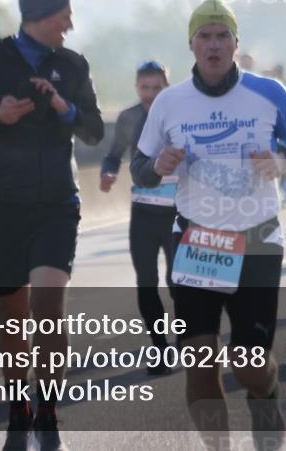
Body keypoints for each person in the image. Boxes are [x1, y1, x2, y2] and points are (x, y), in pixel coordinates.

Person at [131, 0, 286, 451]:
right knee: (199, 360)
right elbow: (139, 168)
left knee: (248, 365)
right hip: (197, 239)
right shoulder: (169, 102)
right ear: (191, 45)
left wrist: (280, 161)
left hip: (256, 238)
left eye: (222, 36)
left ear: (236, 43)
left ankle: (266, 394)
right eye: (204, 36)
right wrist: (158, 163)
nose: (213, 45)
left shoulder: (269, 92)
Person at [0, 0, 104, 451]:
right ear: (40, 17)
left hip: (57, 201)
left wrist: (64, 107)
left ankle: (48, 413)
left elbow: (94, 130)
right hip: (4, 203)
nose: (71, 24)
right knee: (11, 317)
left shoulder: (72, 64)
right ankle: (18, 411)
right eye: (64, 16)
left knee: (47, 309)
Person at [100, 60, 177, 374]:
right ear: (136, 88)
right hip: (143, 212)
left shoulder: (179, 115)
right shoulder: (129, 118)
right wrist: (107, 172)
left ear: (166, 88)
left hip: (176, 213)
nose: (150, 94)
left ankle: (188, 339)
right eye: (144, 88)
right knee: (146, 283)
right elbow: (113, 154)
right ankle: (160, 348)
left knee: (178, 283)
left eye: (156, 88)